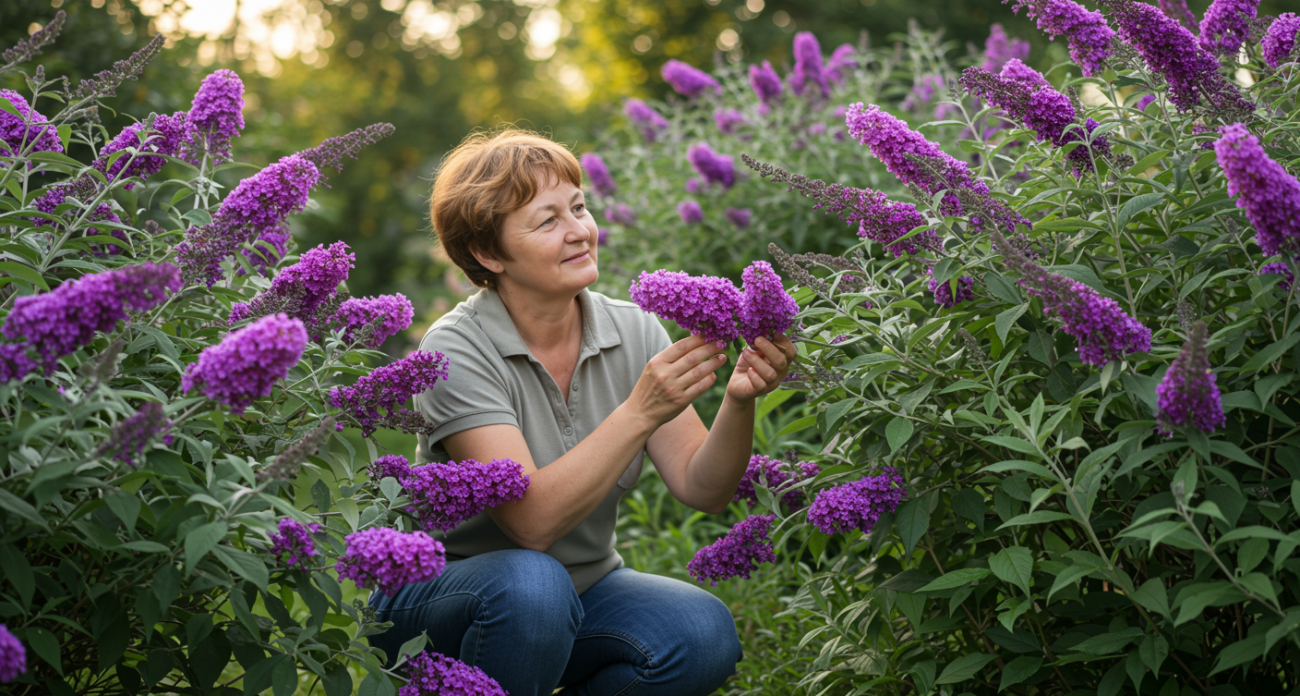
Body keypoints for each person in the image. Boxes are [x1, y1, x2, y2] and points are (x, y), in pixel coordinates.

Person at [367, 128, 794, 696]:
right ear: (488, 253)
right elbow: (531, 525)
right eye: (548, 222)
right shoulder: (454, 350)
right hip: (441, 603)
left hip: (582, 590)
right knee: (532, 587)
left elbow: (702, 487)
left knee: (701, 632)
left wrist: (739, 402)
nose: (580, 232)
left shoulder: (633, 327)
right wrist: (639, 412)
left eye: (579, 207)